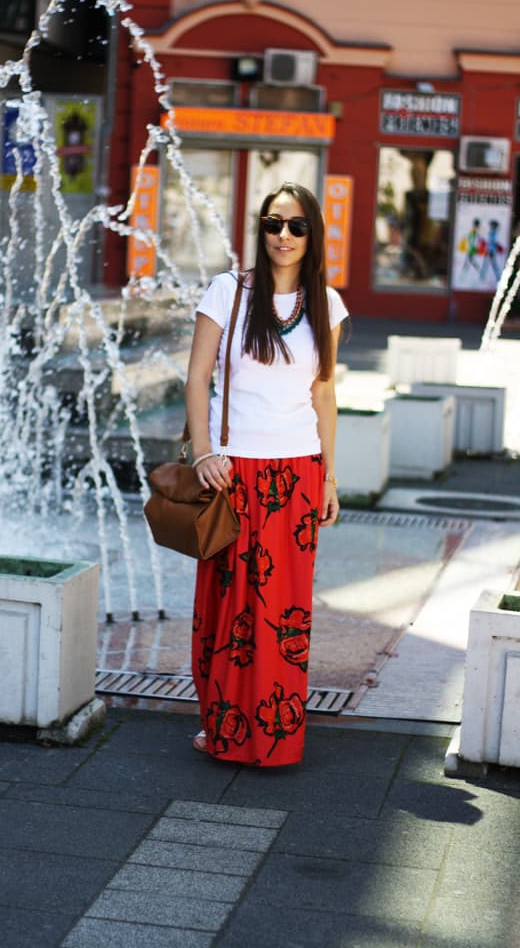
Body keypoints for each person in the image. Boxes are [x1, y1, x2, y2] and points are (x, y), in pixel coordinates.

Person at [184, 181, 348, 767]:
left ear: (312, 235)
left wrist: (329, 478)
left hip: (298, 472)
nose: (284, 235)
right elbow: (197, 377)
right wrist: (203, 453)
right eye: (273, 223)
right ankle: (224, 728)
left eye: (296, 226)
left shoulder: (326, 304)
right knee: (227, 610)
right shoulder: (228, 291)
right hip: (231, 473)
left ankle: (275, 738)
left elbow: (323, 394)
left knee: (283, 614)